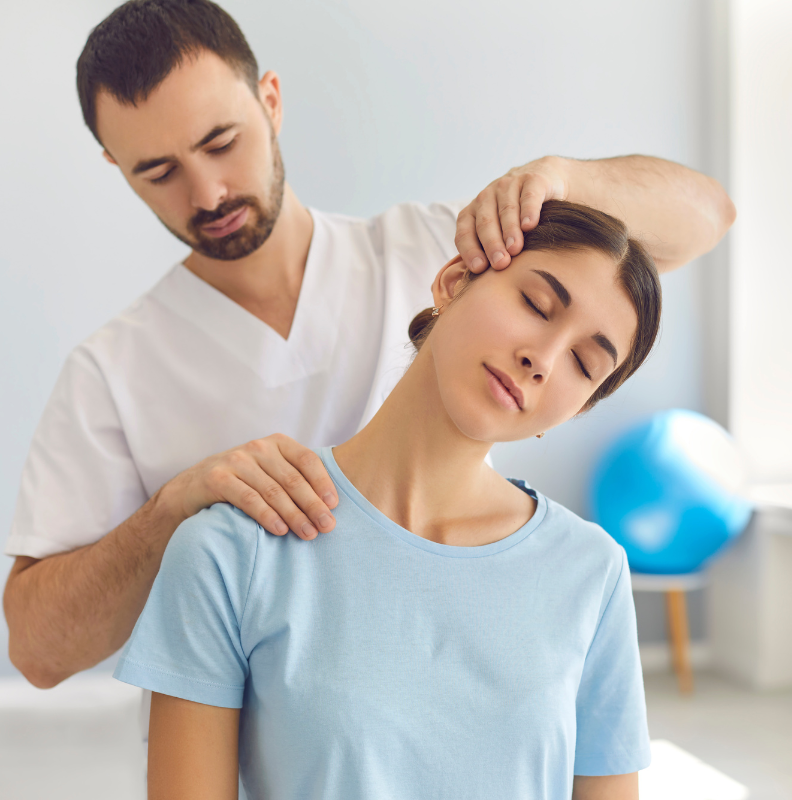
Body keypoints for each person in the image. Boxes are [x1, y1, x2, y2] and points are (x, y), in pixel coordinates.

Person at [3, 0, 735, 692]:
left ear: (271, 101)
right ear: (115, 166)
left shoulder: (441, 249)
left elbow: (705, 216)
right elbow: (36, 652)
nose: (208, 193)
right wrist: (172, 512)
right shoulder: (112, 371)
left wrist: (562, 178)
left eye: (220, 142)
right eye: (158, 172)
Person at [115, 201, 661, 800]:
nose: (543, 359)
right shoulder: (232, 550)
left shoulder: (592, 573)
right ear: (454, 282)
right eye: (535, 304)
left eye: (583, 364)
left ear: (576, 408)